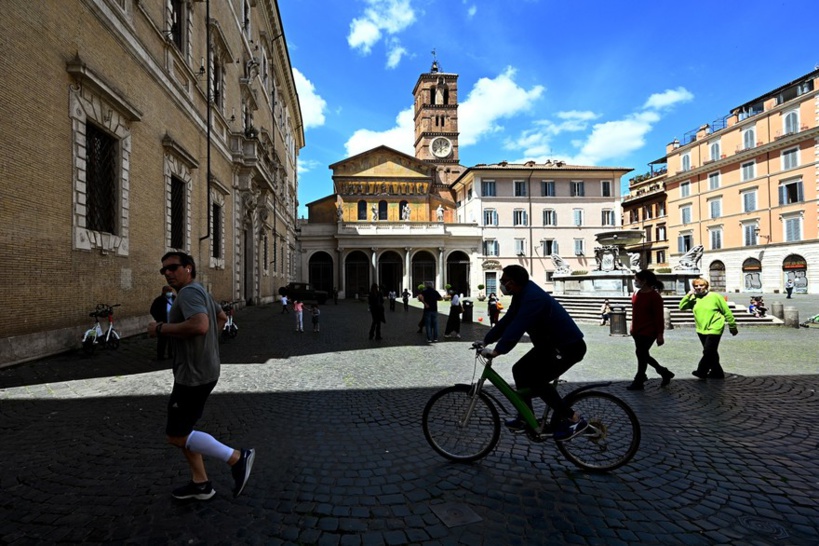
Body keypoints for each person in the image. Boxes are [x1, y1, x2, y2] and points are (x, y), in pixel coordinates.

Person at [147, 251, 254, 501]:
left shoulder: (189, 293)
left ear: (189, 268)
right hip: (203, 369)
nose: (168, 273)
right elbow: (221, 317)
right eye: (164, 270)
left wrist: (161, 328)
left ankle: (237, 458)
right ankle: (201, 483)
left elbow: (200, 325)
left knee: (176, 435)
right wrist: (206, 345)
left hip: (193, 376)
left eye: (173, 267)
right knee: (186, 430)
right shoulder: (200, 290)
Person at [481, 265, 588, 441]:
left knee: (538, 380)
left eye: (503, 280)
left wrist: (498, 350)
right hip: (550, 346)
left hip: (568, 347)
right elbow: (508, 320)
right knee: (519, 370)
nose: (501, 284)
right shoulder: (521, 294)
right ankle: (526, 417)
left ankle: (574, 419)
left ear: (512, 282)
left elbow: (518, 325)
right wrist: (486, 340)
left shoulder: (532, 297)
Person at [679, 278, 738, 380]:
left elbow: (727, 311)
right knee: (712, 352)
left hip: (715, 327)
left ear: (706, 286)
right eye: (696, 286)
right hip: (701, 329)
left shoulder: (715, 297)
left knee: (708, 351)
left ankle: (701, 371)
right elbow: (682, 306)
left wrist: (732, 326)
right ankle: (717, 373)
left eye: (701, 285)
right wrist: (689, 295)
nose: (698, 288)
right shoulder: (694, 298)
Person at [628, 270, 674, 390]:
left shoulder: (655, 297)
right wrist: (632, 328)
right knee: (641, 354)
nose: (635, 282)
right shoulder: (637, 294)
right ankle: (663, 372)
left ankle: (639, 380)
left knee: (642, 353)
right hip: (637, 330)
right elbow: (636, 313)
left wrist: (660, 334)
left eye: (637, 280)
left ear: (644, 281)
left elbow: (658, 317)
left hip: (649, 331)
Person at [149, 285, 175, 360]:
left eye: (170, 291)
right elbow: (152, 310)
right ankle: (160, 356)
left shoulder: (174, 298)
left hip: (173, 323)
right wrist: (159, 319)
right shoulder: (159, 300)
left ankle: (171, 354)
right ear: (163, 291)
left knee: (172, 340)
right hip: (163, 323)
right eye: (168, 291)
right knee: (162, 340)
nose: (170, 292)